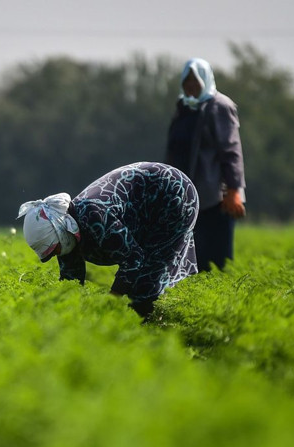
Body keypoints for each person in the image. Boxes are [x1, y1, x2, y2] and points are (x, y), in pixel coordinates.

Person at [18, 162, 198, 317]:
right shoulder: (65, 232)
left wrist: (110, 303)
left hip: (171, 193)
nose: (58, 254)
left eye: (55, 249)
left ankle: (160, 332)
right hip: (145, 209)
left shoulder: (94, 216)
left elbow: (133, 259)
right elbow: (70, 283)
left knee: (146, 288)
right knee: (141, 287)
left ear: (60, 232)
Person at [165, 57, 246, 271]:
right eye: (187, 81)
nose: (191, 85)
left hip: (214, 198)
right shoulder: (184, 107)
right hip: (186, 199)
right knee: (190, 260)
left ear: (205, 80)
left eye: (195, 81)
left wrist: (234, 189)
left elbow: (231, 150)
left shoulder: (219, 106)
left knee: (216, 261)